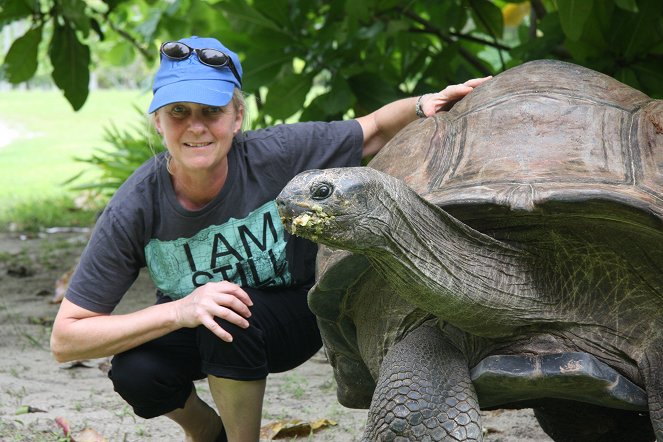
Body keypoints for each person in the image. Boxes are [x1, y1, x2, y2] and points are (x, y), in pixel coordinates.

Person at [50, 35, 490, 442]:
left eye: (211, 112)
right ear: (158, 123)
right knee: (136, 370)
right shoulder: (136, 205)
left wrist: (424, 104)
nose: (195, 127)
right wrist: (180, 310)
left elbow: (372, 128)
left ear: (237, 116)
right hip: (200, 320)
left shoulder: (277, 153)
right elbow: (67, 339)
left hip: (294, 314)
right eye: (178, 112)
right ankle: (206, 432)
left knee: (222, 314)